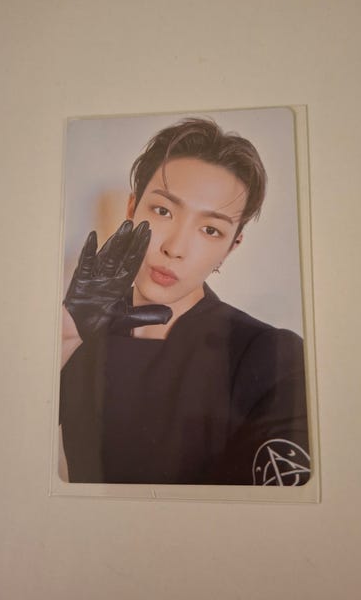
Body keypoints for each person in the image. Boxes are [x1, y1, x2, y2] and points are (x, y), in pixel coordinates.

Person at [59, 118, 310, 486]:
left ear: (231, 247)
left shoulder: (273, 358)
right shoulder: (73, 336)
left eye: (210, 230)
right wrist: (65, 337)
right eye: (163, 211)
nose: (175, 248)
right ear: (132, 208)